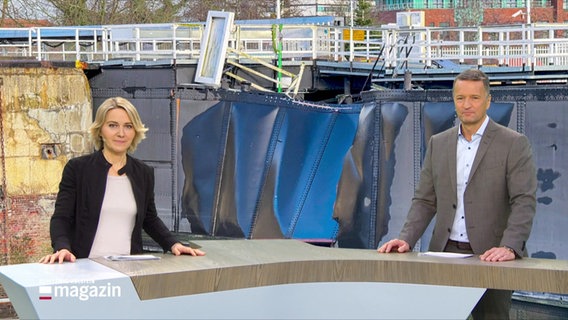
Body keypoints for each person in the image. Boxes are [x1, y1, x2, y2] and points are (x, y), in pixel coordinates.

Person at [377, 69, 536, 319]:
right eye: (460, 98)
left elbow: (523, 201)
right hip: (445, 251)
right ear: (454, 100)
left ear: (488, 100)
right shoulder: (438, 143)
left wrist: (509, 247)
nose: (467, 105)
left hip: (492, 254)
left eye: (474, 98)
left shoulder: (513, 143)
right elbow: (425, 200)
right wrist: (406, 238)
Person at [40, 97, 205, 264]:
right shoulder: (77, 169)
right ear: (100, 130)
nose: (121, 133)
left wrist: (172, 243)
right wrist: (62, 247)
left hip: (129, 271)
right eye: (112, 125)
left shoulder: (143, 173)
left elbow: (149, 218)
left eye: (128, 126)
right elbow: (61, 217)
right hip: (85, 269)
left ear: (135, 132)